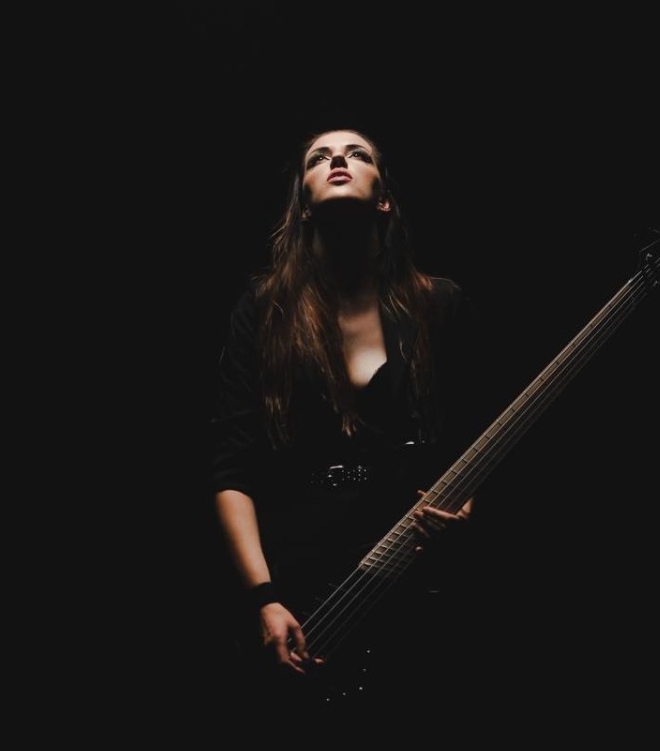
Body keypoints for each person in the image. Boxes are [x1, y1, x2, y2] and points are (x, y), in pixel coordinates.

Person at [208, 127, 495, 710]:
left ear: (384, 198)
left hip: (409, 580)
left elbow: (479, 439)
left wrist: (469, 507)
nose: (338, 159)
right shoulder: (262, 310)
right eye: (320, 158)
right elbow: (232, 470)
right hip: (296, 578)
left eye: (357, 154)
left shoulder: (441, 304)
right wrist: (264, 598)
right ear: (303, 204)